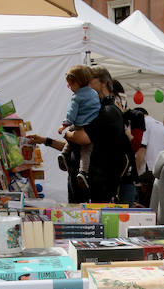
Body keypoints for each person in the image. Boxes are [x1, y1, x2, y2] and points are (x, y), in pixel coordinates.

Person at [33, 66, 130, 202]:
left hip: (97, 189)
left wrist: (67, 133)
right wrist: (45, 140)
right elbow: (74, 144)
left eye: (90, 77)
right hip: (79, 187)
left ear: (104, 82)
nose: (85, 81)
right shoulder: (94, 109)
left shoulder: (108, 111)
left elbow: (82, 139)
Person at [57, 65, 100, 193]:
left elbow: (71, 113)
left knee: (70, 136)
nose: (69, 87)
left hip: (79, 124)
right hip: (91, 126)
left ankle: (64, 154)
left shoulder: (76, 97)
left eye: (70, 85)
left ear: (78, 82)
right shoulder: (94, 93)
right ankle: (83, 172)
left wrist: (64, 125)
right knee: (86, 151)